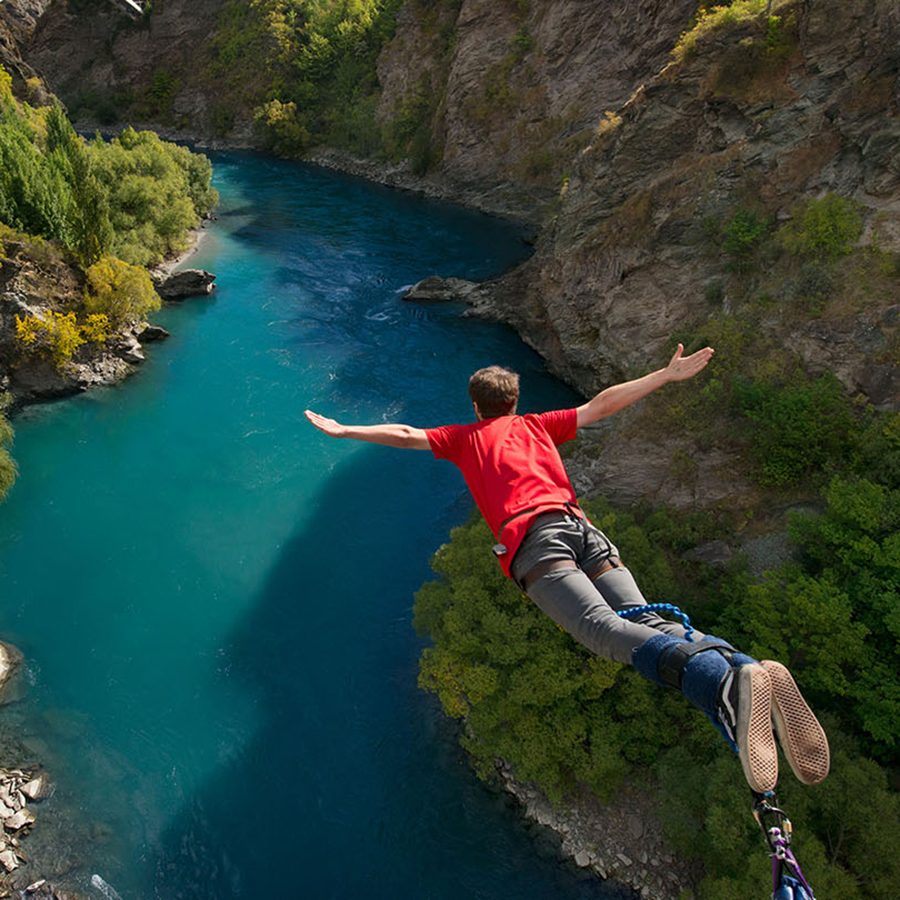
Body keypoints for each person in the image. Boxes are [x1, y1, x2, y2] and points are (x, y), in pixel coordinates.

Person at [305, 344, 830, 793]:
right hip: (583, 530)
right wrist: (665, 376)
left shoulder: (464, 438)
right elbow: (602, 405)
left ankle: (719, 684)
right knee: (645, 619)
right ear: (515, 401)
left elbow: (404, 432)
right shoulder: (537, 425)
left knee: (601, 631)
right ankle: (740, 665)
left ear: (476, 406)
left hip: (535, 540)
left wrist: (344, 431)